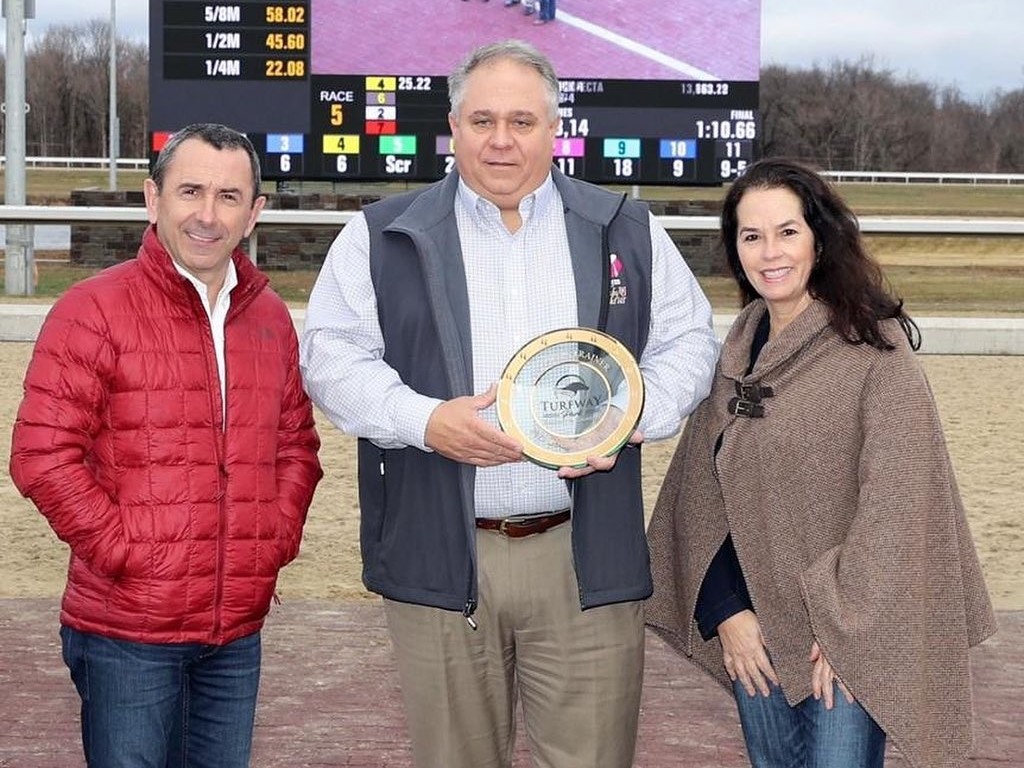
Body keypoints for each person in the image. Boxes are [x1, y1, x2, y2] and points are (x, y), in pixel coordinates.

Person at [300, 38, 718, 768]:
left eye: (522, 122)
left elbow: (690, 342)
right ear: (452, 127)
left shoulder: (626, 226)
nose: (501, 140)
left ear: (555, 130)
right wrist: (423, 421)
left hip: (585, 556)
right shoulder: (379, 234)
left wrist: (630, 417)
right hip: (443, 553)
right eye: (483, 119)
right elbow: (330, 359)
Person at [645, 157, 997, 768]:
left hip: (839, 641)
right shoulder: (734, 358)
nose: (769, 252)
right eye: (750, 236)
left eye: (787, 231)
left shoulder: (874, 354)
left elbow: (898, 506)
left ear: (819, 238)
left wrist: (848, 628)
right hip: (753, 636)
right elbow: (702, 500)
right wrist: (727, 613)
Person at [9, 122, 323, 768]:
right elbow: (41, 456)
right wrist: (127, 554)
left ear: (255, 212)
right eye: (190, 192)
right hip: (127, 635)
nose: (208, 215)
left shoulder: (269, 319)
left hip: (235, 633)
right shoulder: (91, 310)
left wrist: (272, 541)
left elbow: (296, 446)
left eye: (229, 197)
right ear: (153, 200)